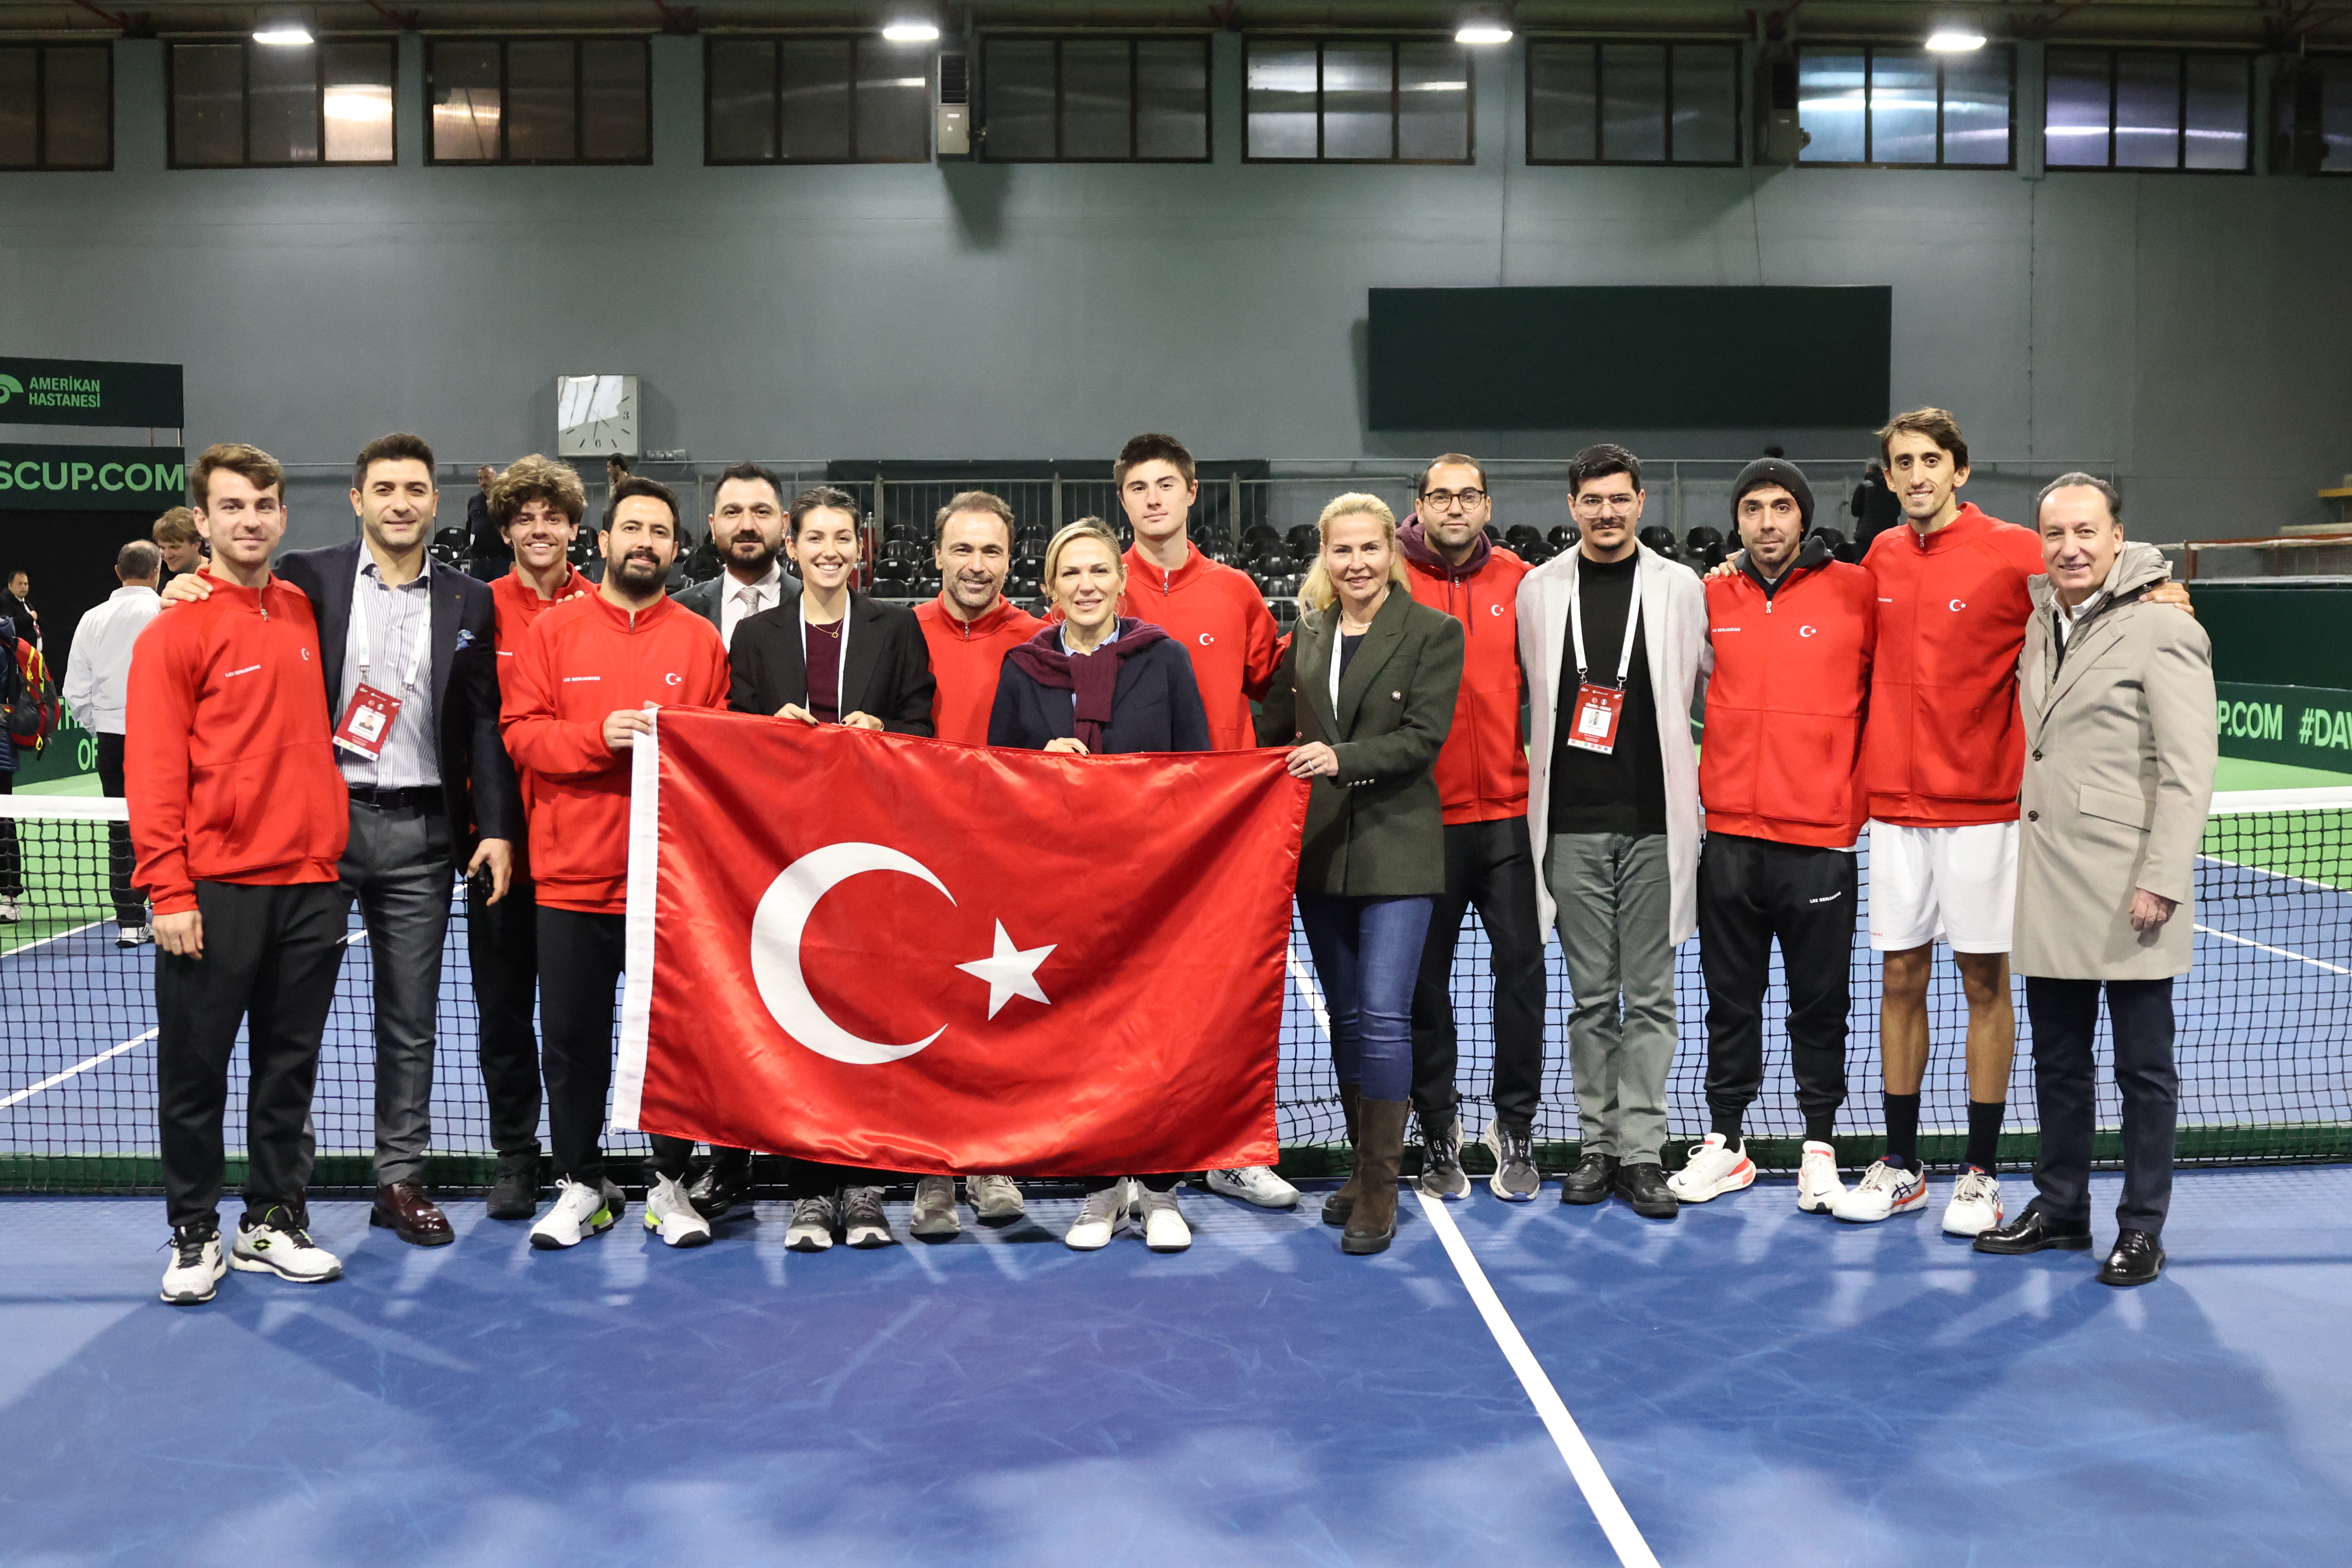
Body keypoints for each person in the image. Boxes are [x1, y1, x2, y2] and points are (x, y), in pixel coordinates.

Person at [160, 433, 521, 1250]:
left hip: (427, 832)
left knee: (410, 1018)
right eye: (385, 488)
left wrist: (495, 826)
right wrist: (185, 588)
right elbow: (231, 603)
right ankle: (284, 1197)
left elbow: (486, 721)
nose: (401, 502)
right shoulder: (304, 580)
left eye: (417, 489)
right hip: (314, 831)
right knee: (295, 1026)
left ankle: (398, 1179)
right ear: (355, 500)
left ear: (435, 502)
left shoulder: (471, 598)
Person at [1974, 475, 2215, 1287]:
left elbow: (2188, 773)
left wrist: (2162, 878)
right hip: (2048, 878)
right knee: (2057, 1060)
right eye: (2053, 534)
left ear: (2117, 538)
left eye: (2084, 531)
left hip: (2127, 888)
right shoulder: (2042, 619)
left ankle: (2141, 1225)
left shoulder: (2162, 627)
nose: (2068, 547)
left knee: (2142, 1070)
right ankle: (2060, 1206)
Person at [129, 443, 352, 1305]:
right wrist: (170, 891)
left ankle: (271, 1220)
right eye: (232, 506)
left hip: (309, 886)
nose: (249, 519)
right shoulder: (174, 627)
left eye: (263, 505)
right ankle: (194, 1232)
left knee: (287, 1069)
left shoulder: (299, 607)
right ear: (204, 521)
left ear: (283, 517)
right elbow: (153, 772)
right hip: (213, 892)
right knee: (194, 1071)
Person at [502, 475, 731, 1251]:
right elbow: (522, 734)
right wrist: (595, 737)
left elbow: (722, 747)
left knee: (672, 1045)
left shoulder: (700, 641)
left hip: (670, 888)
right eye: (630, 527)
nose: (643, 541)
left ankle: (669, 1183)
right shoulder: (552, 633)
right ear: (602, 542)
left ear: (675, 548)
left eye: (658, 531)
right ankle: (581, 1184)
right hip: (570, 882)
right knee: (570, 1045)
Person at [1832, 409, 2042, 1232]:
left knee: (1984, 982)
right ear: (1885, 479)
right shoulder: (1880, 551)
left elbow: (2088, 565)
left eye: (1930, 461)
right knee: (1897, 980)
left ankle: (1980, 1173)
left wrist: (2153, 578)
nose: (1915, 475)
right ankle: (1900, 1162)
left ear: (1959, 470)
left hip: (1983, 812)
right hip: (1894, 812)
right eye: (1900, 463)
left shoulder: (2012, 548)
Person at [991, 518, 1213, 1250]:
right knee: (1084, 1038)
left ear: (1122, 583)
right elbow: (996, 778)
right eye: (1070, 575)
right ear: (1049, 591)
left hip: (1156, 885)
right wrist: (1038, 763)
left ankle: (1160, 1191)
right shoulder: (1022, 670)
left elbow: (1201, 770)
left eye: (1099, 572)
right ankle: (1099, 1191)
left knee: (1158, 1037)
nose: (1086, 585)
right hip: (1064, 884)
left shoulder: (1167, 659)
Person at [729, 486, 937, 1252]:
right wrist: (764, 731)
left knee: (866, 1022)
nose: (827, 549)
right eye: (813, 537)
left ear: (860, 549)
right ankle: (809, 1193)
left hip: (873, 855)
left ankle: (865, 1189)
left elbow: (924, 723)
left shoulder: (897, 627)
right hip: (784, 859)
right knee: (797, 1023)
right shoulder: (754, 636)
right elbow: (729, 741)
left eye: (841, 538)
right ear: (792, 545)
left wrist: (885, 731)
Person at [1669, 459, 1874, 1214]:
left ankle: (1818, 1150)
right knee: (1729, 1002)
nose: (1765, 522)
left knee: (1819, 1006)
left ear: (1802, 516)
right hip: (1726, 839)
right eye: (1751, 508)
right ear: (1736, 520)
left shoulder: (1856, 591)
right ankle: (1726, 1144)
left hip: (1818, 841)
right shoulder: (1708, 595)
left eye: (1779, 507)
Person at [1260, 496, 1463, 1254]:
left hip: (1399, 848)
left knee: (1381, 1015)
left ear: (1391, 551)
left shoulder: (1434, 633)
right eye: (1341, 551)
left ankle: (1381, 1187)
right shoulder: (1307, 631)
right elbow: (1270, 729)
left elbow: (1421, 739)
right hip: (1321, 853)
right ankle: (1357, 1167)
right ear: (1323, 555)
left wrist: (1339, 759)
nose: (1355, 564)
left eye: (1369, 549)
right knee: (1345, 1019)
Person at [1517, 444, 1709, 1220]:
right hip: (1568, 827)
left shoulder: (1680, 587)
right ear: (1572, 507)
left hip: (1656, 825)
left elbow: (1709, 685)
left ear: (1640, 503)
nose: (1605, 512)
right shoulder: (1537, 590)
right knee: (1591, 1000)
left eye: (1618, 499)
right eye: (1591, 500)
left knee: (1653, 998)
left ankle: (1642, 1152)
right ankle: (1597, 1145)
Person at [1110, 432, 1298, 1213]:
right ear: (1121, 500)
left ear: (1191, 493)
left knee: (1232, 993)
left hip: (1224, 838)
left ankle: (1230, 1152)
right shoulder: (1096, 584)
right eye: (1137, 488)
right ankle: (1121, 1158)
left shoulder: (1236, 591)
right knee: (1123, 999)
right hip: (1124, 833)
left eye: (1166, 485)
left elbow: (1276, 688)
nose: (1152, 499)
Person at [1396, 454, 1544, 1201]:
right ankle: (1437, 1128)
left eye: (1468, 495)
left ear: (1486, 505)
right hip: (1424, 822)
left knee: (1522, 974)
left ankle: (1512, 1125)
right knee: (1426, 987)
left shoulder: (1523, 582)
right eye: (1440, 495)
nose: (1454, 507)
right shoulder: (1390, 578)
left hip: (1511, 822)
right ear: (1418, 506)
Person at [477, 454, 597, 1219]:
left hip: (582, 847)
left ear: (575, 527)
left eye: (551, 515)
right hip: (493, 843)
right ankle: (517, 1156)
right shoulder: (474, 605)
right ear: (507, 528)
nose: (538, 528)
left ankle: (582, 1160)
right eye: (524, 516)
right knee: (503, 1011)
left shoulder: (604, 607)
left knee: (577, 1018)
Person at [61, 539, 164, 946]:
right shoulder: (166, 611)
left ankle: (129, 922)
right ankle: (167, 910)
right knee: (168, 827)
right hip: (161, 740)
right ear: (158, 572)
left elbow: (75, 690)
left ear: (118, 572)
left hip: (113, 742)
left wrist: (103, 725)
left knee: (120, 832)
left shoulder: (91, 619)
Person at [915, 490, 1043, 747]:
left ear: (1009, 560)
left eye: (992, 552)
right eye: (962, 550)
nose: (976, 566)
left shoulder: (1041, 642)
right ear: (938, 555)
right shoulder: (901, 633)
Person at [672, 461, 803, 653]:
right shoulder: (679, 612)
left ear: (784, 524)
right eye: (732, 513)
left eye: (762, 512)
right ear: (713, 526)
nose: (747, 526)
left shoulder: (812, 605)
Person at [153, 506, 207, 582]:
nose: (167, 555)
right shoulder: (158, 575)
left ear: (196, 545)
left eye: (175, 547)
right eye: (162, 548)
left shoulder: (219, 573)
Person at [0, 569, 39, 652]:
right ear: (10, 586)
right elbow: (9, 624)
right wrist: (30, 617)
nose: (24, 587)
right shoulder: (4, 601)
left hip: (33, 655)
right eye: (20, 584)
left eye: (26, 584)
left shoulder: (26, 603)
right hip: (18, 655)